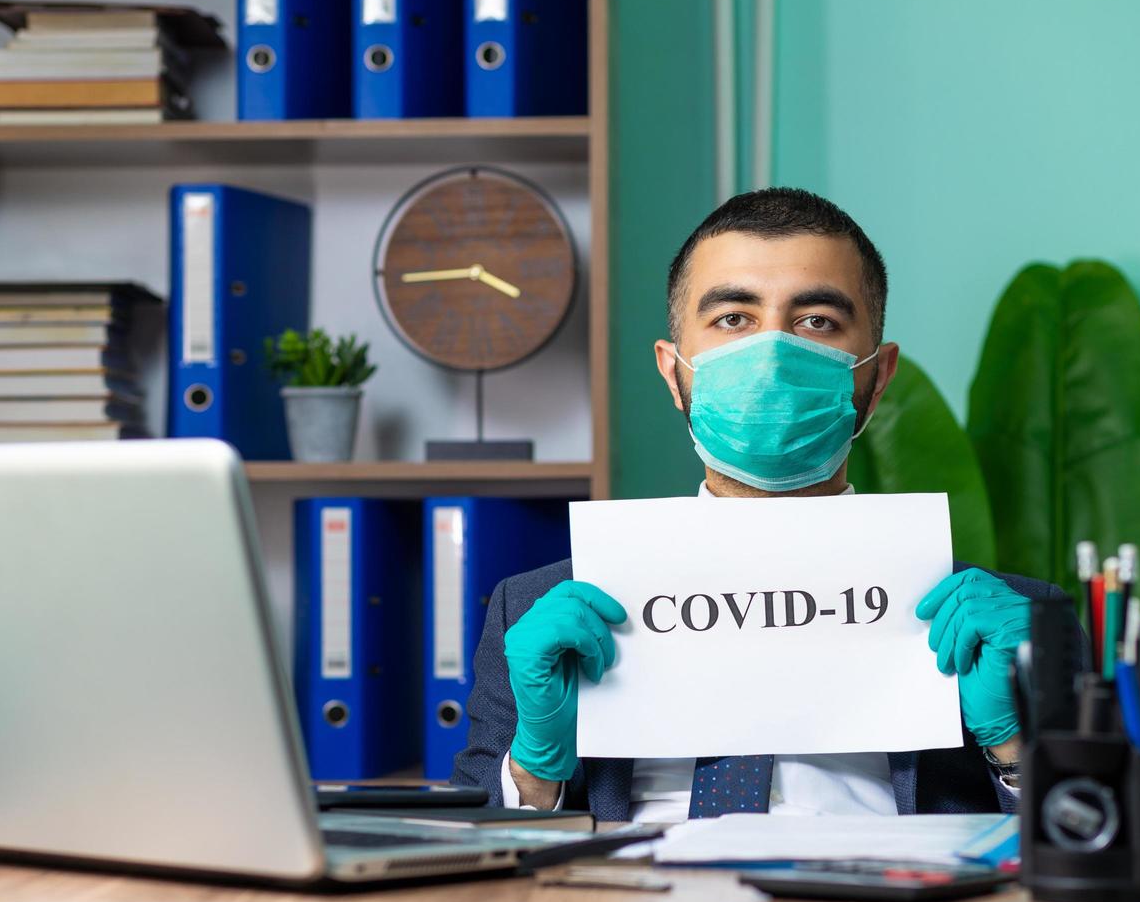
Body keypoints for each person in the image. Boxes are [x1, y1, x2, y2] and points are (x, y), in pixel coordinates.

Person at [453, 187, 1068, 822]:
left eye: (817, 322)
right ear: (674, 374)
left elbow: (1096, 856)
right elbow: (473, 866)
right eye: (733, 319)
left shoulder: (1015, 624)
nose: (772, 356)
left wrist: (1016, 748)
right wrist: (533, 772)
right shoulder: (531, 613)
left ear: (876, 379)